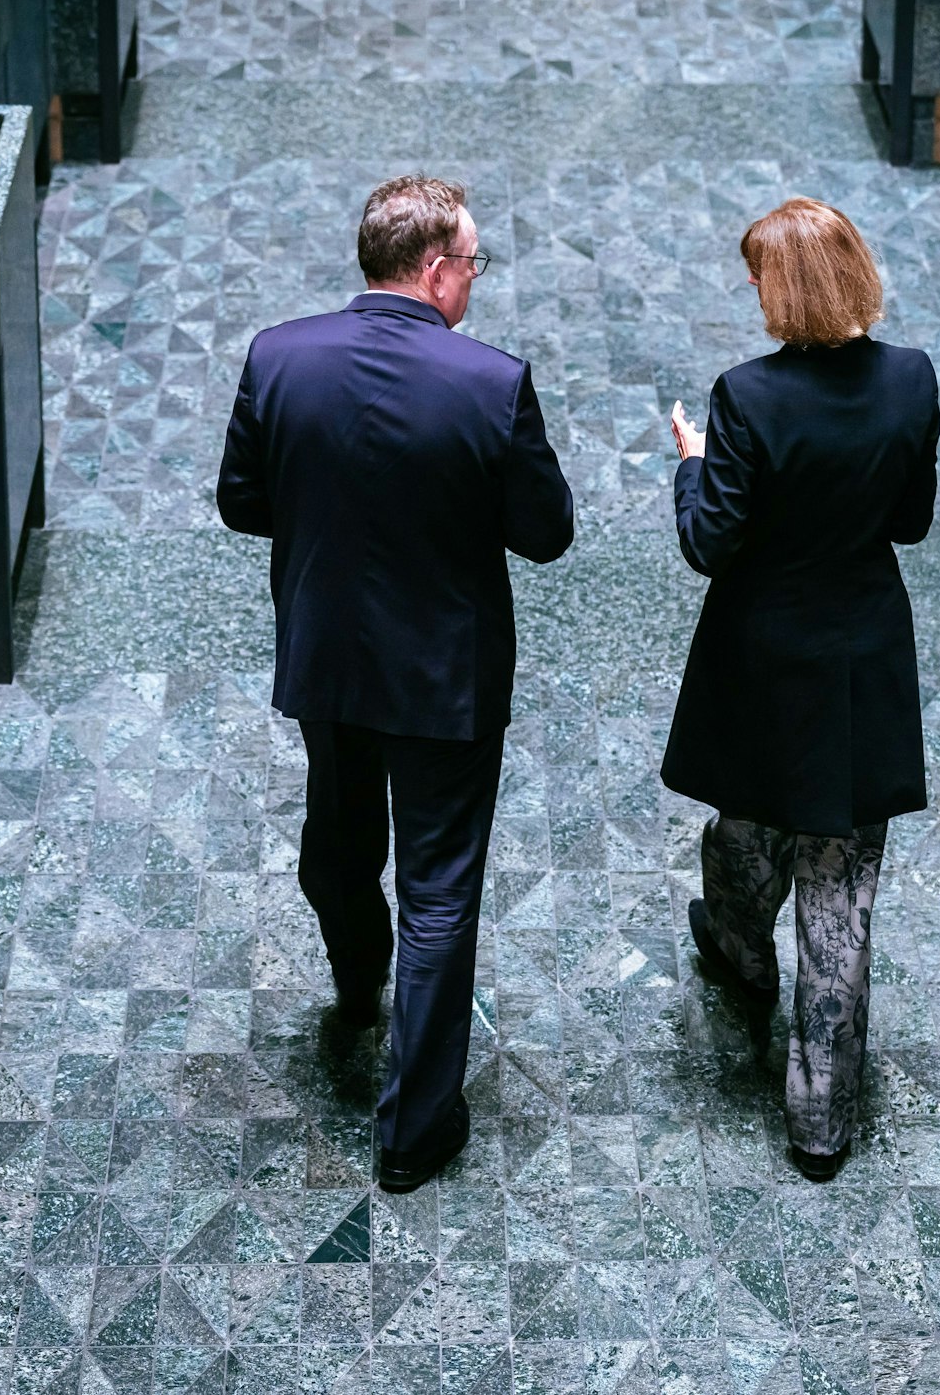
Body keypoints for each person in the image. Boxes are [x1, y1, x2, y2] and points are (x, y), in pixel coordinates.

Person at [217, 174, 574, 1192]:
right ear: (432, 271)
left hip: (327, 657)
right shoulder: (490, 384)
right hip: (445, 680)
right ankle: (413, 1132)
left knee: (337, 837)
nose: (474, 280)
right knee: (440, 890)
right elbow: (544, 536)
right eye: (471, 264)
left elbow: (241, 503)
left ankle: (354, 967)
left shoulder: (277, 356)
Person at [662, 197, 938, 1182]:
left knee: (747, 828)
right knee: (842, 889)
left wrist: (691, 465)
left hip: (765, 660)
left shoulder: (745, 397)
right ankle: (819, 1123)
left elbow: (708, 543)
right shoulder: (909, 380)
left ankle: (737, 948)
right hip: (859, 659)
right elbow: (908, 523)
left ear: (779, 292)